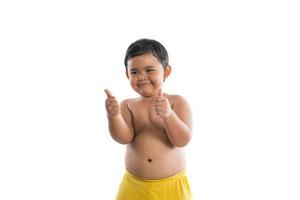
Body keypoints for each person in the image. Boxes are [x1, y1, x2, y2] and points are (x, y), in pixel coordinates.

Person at [104, 39, 193, 200]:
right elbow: (123, 138)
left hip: (171, 187)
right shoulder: (128, 105)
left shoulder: (176, 102)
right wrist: (113, 116)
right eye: (134, 72)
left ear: (166, 72)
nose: (141, 77)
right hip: (134, 185)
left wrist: (168, 115)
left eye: (149, 70)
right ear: (127, 74)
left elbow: (182, 140)